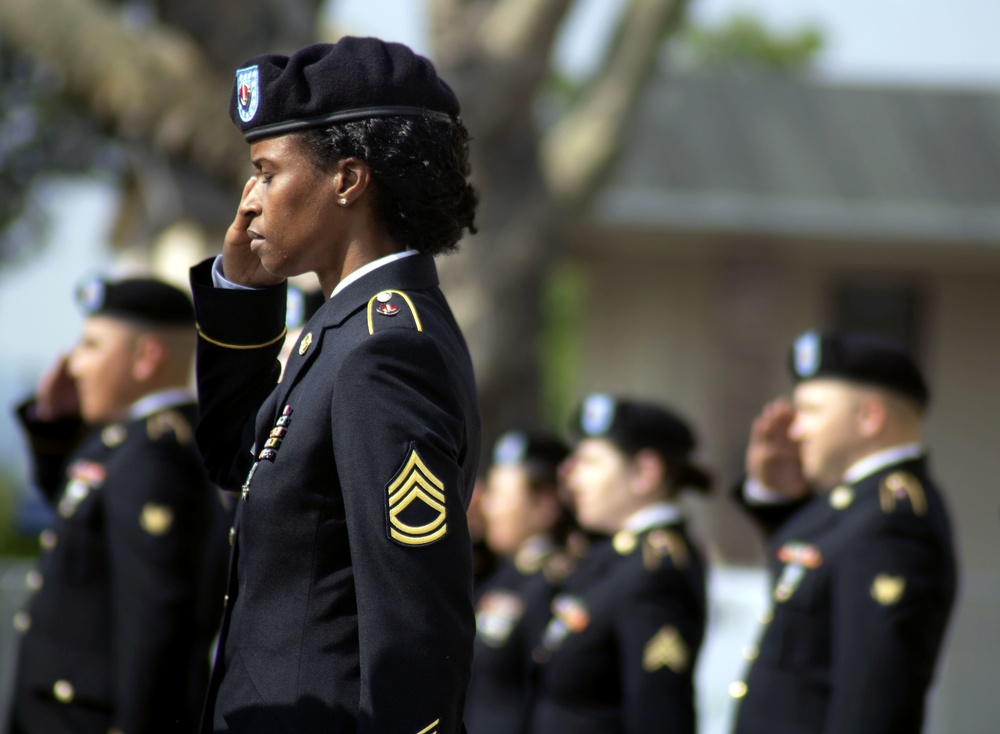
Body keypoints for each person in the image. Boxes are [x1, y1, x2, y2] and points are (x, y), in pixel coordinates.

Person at [188, 37, 481, 733]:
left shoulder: (384, 351)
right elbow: (237, 461)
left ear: (348, 180)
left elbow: (415, 633)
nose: (248, 204)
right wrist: (241, 295)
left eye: (266, 173)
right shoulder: (343, 332)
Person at [8, 276, 230, 734]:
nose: (75, 365)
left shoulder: (153, 457)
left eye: (91, 346)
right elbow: (80, 530)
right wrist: (54, 427)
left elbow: (155, 629)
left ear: (146, 357)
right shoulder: (125, 445)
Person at [730, 330, 958, 734]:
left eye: (811, 411)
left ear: (869, 417)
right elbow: (808, 578)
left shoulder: (893, 524)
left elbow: (871, 701)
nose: (796, 430)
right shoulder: (858, 508)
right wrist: (777, 494)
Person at [525, 393, 712, 734]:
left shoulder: (657, 571)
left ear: (644, 472)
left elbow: (658, 713)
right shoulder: (612, 557)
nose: (573, 479)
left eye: (591, 463)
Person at [465, 429, 574, 734]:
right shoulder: (501, 574)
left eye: (501, 495)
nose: (488, 509)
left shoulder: (552, 586)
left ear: (544, 505)